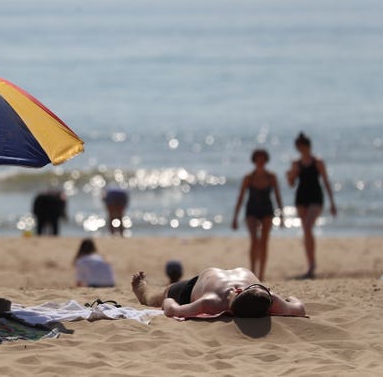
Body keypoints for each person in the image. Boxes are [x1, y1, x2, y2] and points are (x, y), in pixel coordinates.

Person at [132, 267, 306, 319]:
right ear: (237, 290)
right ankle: (146, 289)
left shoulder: (213, 302)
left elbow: (171, 308)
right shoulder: (269, 299)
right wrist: (289, 300)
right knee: (159, 296)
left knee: (155, 298)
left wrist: (168, 300)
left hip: (195, 287)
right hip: (202, 281)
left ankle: (143, 291)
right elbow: (298, 308)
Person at [286, 133, 337, 279]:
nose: (300, 149)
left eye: (302, 146)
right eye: (298, 146)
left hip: (316, 197)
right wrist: (290, 174)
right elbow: (291, 184)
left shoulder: (318, 162)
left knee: (308, 227)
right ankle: (310, 264)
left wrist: (332, 203)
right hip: (301, 198)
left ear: (307, 146)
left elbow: (326, 182)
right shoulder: (296, 163)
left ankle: (312, 265)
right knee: (306, 231)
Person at [232, 149, 284, 281]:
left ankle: (261, 274)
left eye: (262, 158)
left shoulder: (271, 177)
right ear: (254, 160)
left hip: (267, 210)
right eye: (258, 159)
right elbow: (241, 198)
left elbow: (277, 196)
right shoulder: (248, 178)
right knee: (254, 241)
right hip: (252, 211)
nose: (260, 161)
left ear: (266, 160)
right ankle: (253, 272)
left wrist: (282, 215)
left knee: (264, 242)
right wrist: (235, 217)